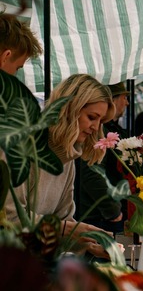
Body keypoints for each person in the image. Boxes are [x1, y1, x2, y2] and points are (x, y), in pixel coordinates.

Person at [5, 74, 116, 259]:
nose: (96, 128)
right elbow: (10, 218)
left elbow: (64, 223)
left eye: (101, 121)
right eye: (91, 117)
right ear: (69, 109)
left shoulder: (67, 158)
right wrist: (68, 228)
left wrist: (90, 243)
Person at [75, 82, 130, 233]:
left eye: (100, 121)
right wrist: (112, 209)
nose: (127, 102)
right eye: (124, 97)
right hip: (97, 217)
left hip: (99, 214)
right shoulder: (95, 134)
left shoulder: (106, 130)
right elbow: (91, 172)